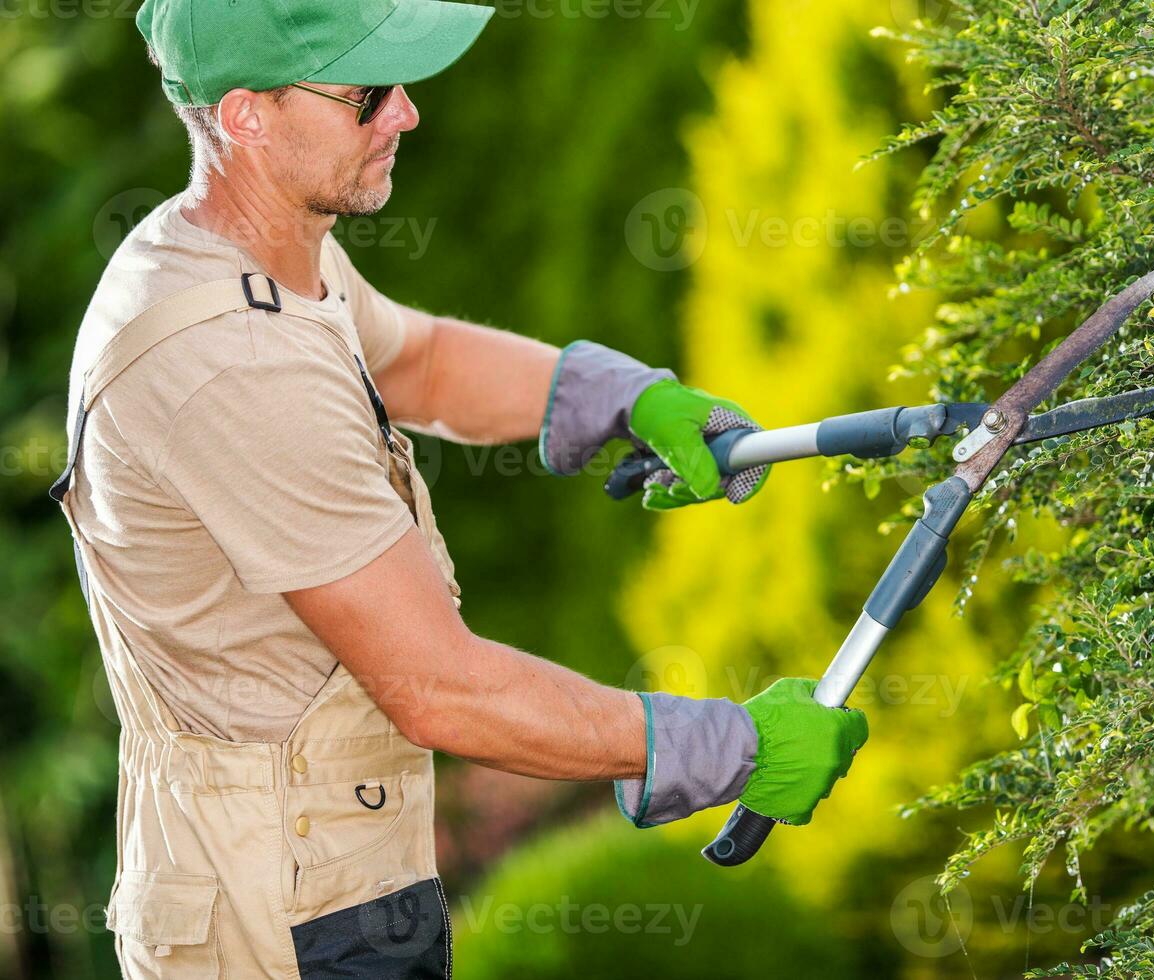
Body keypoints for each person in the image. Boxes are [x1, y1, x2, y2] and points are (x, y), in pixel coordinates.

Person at [51, 1, 867, 976]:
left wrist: (626, 398)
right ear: (245, 117)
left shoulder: (254, 255)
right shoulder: (227, 361)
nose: (405, 113)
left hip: (332, 882)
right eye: (364, 95)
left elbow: (423, 363)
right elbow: (438, 688)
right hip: (282, 928)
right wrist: (729, 742)